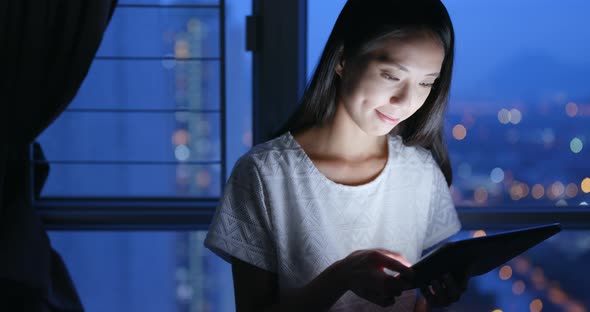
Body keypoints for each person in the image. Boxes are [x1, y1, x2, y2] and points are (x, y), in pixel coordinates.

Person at [204, 0, 470, 310]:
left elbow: (412, 301)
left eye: (426, 83)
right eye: (391, 76)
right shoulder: (264, 175)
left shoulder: (422, 171)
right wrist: (341, 277)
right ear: (343, 59)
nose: (406, 101)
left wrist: (433, 298)